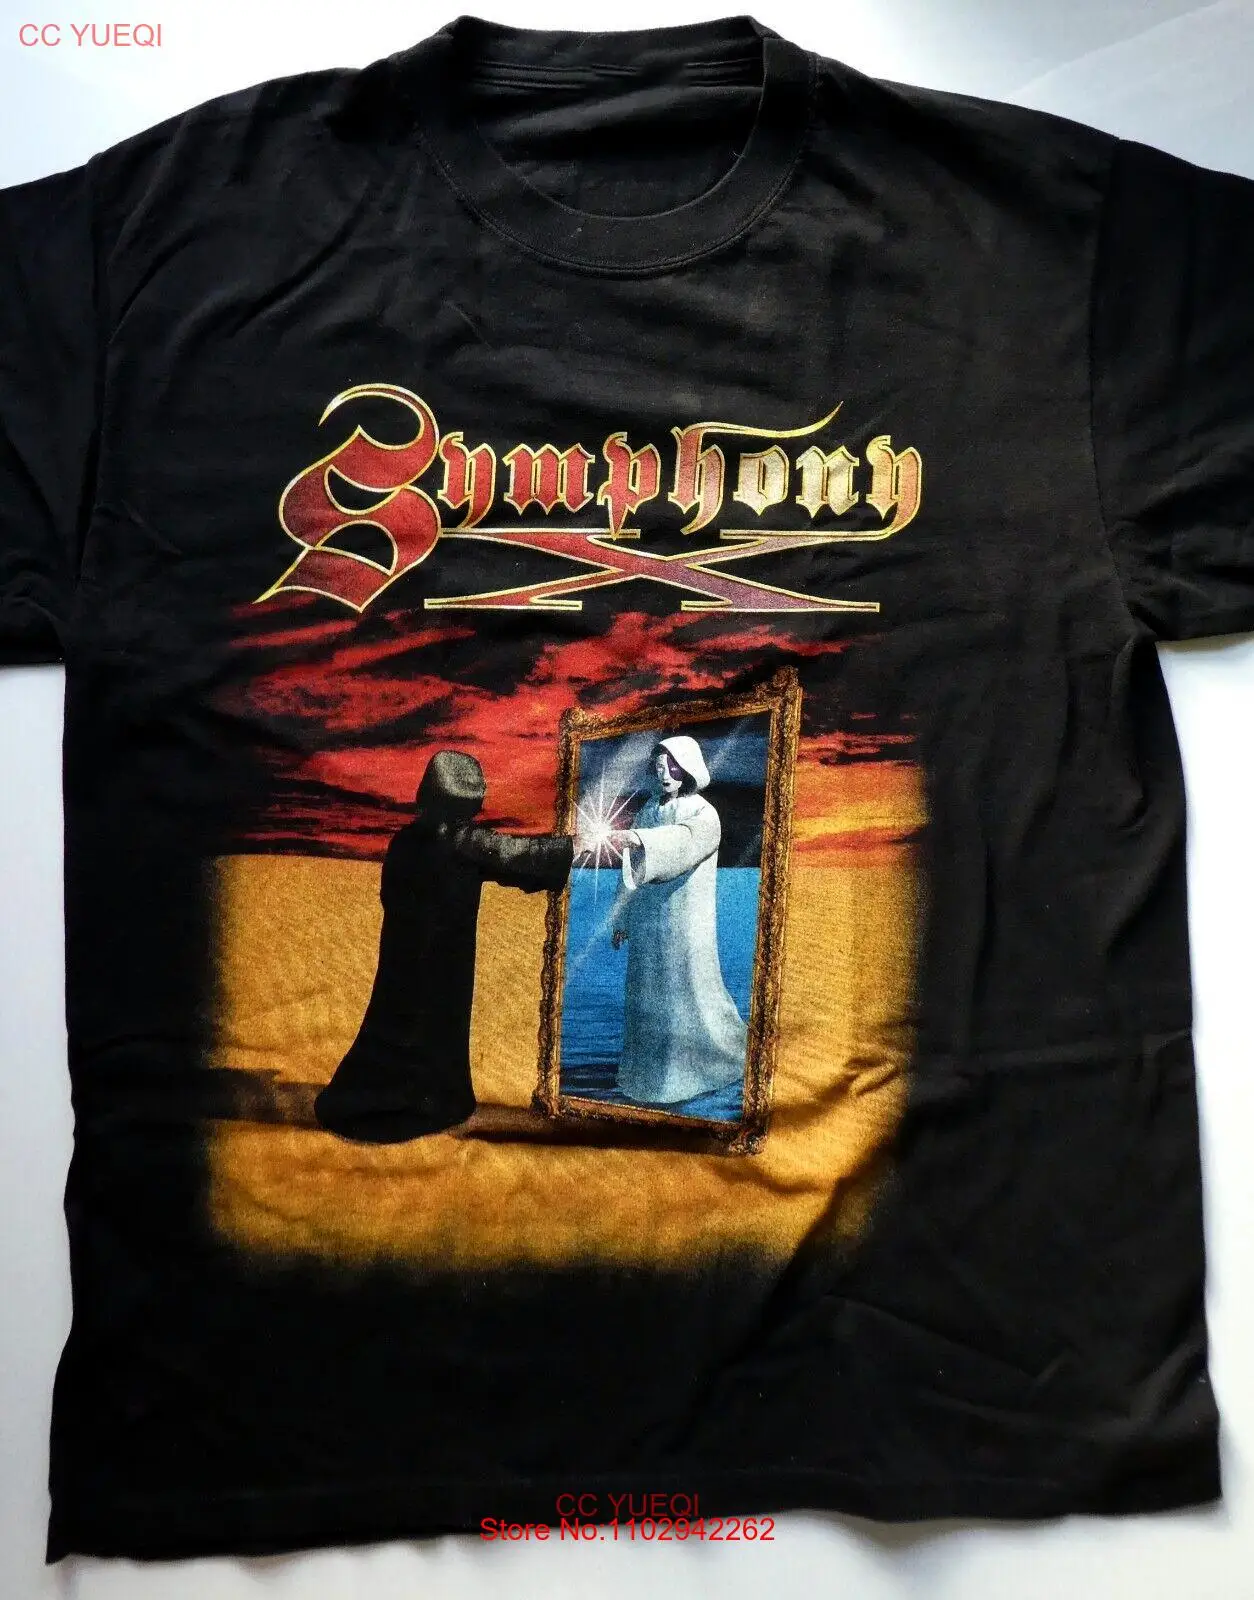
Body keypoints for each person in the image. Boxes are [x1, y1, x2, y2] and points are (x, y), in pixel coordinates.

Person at [315, 750, 574, 1143]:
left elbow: (391, 895)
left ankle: (390, 1091)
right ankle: (431, 1100)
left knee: (394, 1019)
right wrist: (577, 848)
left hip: (402, 955)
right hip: (443, 960)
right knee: (436, 1025)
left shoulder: (405, 840)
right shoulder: (463, 842)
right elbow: (522, 857)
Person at [607, 735, 747, 1108]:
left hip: (684, 924)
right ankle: (646, 1077)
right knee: (648, 997)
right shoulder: (648, 811)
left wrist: (638, 839)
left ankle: (701, 1069)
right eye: (659, 768)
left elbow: (683, 843)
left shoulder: (703, 813)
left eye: (672, 767)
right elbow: (632, 870)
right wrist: (621, 918)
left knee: (688, 995)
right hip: (648, 926)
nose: (665, 774)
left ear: (688, 769)